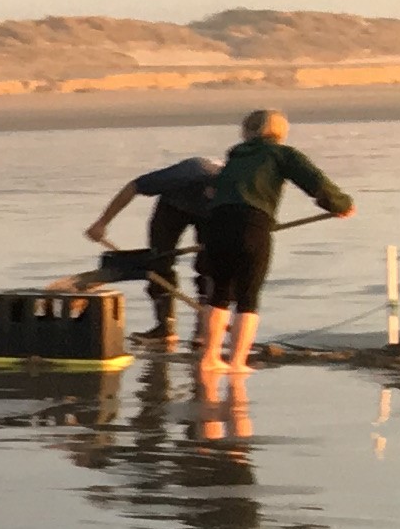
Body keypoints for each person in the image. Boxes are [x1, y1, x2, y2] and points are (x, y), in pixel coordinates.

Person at [193, 108, 356, 377]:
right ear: (280, 131)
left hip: (216, 227)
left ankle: (209, 358)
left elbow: (213, 190)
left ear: (248, 130)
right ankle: (236, 363)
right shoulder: (282, 154)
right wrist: (341, 205)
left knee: (219, 292)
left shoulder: (234, 158)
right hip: (252, 226)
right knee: (248, 297)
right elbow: (315, 182)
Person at [85, 151, 227, 348]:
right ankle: (164, 328)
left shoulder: (238, 188)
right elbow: (134, 186)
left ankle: (205, 328)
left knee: (211, 265)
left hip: (211, 215)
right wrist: (102, 223)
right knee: (159, 261)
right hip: (172, 208)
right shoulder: (189, 172)